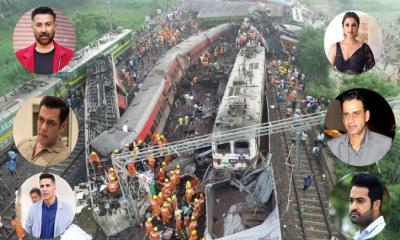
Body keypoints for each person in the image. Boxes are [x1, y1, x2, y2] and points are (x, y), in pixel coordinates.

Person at [327, 90, 392, 166]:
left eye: (356, 113)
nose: (350, 120)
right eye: (346, 114)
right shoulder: (334, 145)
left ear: (366, 116)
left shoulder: (384, 143)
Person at [15, 6, 73, 74]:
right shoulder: (20, 56)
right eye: (39, 25)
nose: (43, 30)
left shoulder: (68, 55)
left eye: (48, 24)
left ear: (55, 27)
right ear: (32, 28)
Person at [17, 96, 71, 166]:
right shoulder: (23, 143)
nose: (43, 128)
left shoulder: (64, 156)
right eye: (41, 120)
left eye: (51, 123)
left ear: (62, 126)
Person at [25, 173, 74, 238]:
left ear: (54, 188)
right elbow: (28, 229)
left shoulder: (67, 209)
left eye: (48, 185)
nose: (44, 189)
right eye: (42, 186)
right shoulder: (33, 209)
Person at [349, 173, 386, 239]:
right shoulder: (357, 235)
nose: (353, 207)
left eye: (360, 201)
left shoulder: (383, 235)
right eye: (351, 201)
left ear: (376, 205)